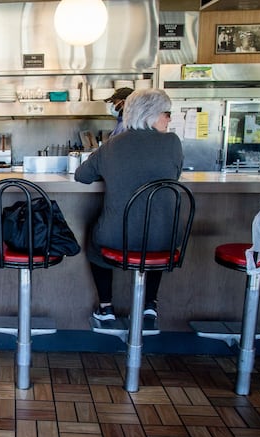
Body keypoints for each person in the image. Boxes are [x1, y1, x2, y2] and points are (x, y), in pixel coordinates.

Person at [75, 88, 183, 322]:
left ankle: (105, 308)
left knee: (94, 241)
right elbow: (175, 173)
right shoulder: (173, 143)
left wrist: (111, 171)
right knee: (156, 237)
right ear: (151, 114)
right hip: (166, 239)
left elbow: (81, 176)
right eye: (167, 113)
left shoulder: (113, 145)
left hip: (117, 239)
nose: (169, 118)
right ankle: (149, 305)